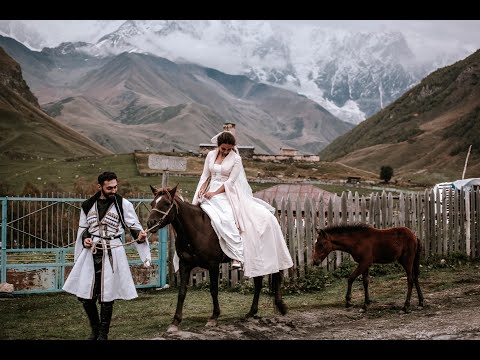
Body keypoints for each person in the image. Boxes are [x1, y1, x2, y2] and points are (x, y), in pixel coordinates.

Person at [62, 171, 151, 340]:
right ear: (100, 187)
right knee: (85, 296)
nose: (113, 190)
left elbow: (133, 226)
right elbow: (84, 229)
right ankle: (95, 330)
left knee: (107, 295)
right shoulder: (88, 205)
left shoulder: (123, 204)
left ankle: (103, 335)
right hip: (92, 253)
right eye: (109, 188)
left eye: (115, 187)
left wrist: (140, 235)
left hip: (113, 251)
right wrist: (86, 239)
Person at [192, 131, 293, 277]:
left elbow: (231, 182)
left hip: (227, 192)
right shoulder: (210, 155)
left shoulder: (236, 159)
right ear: (218, 146)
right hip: (209, 189)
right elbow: (205, 175)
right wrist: (202, 189)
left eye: (229, 149)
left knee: (227, 217)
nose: (226, 152)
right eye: (223, 149)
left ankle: (237, 255)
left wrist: (214, 193)